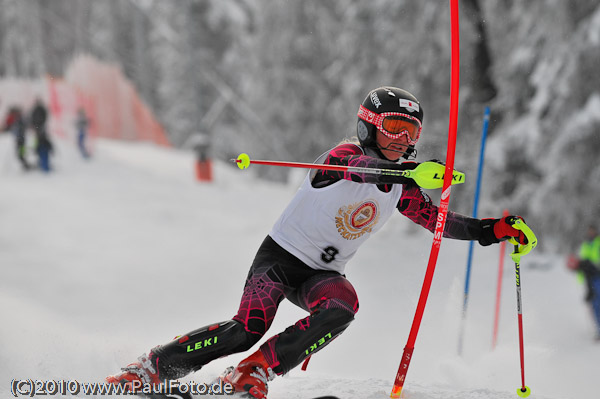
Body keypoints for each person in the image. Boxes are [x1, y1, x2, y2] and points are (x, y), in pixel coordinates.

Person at [106, 86, 530, 398]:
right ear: (369, 127)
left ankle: (252, 373)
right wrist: (410, 172)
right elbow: (362, 169)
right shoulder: (343, 157)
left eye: (411, 132)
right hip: (280, 260)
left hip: (321, 275)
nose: (403, 141)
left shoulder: (403, 186)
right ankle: (151, 368)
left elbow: (441, 221)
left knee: (343, 305)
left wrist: (494, 229)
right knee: (246, 328)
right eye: (395, 129)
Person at [573, 225, 600, 338]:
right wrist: (580, 270)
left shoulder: (598, 243)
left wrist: (590, 265)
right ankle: (598, 329)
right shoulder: (585, 245)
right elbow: (582, 261)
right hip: (588, 279)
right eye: (589, 231)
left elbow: (595, 261)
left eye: (592, 231)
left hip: (597, 277)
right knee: (593, 304)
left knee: (598, 302)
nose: (591, 233)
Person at [29, 98, 53, 172]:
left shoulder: (37, 110)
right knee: (40, 147)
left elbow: (33, 118)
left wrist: (35, 126)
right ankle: (43, 164)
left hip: (39, 130)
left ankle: (44, 165)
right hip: (40, 130)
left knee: (41, 147)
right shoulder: (39, 109)